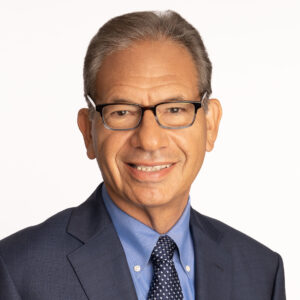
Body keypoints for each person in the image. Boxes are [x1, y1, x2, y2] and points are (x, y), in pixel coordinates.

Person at [0, 10, 286, 300]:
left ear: (210, 125)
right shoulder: (17, 271)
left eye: (175, 110)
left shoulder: (261, 271)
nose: (149, 140)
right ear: (88, 132)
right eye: (122, 112)